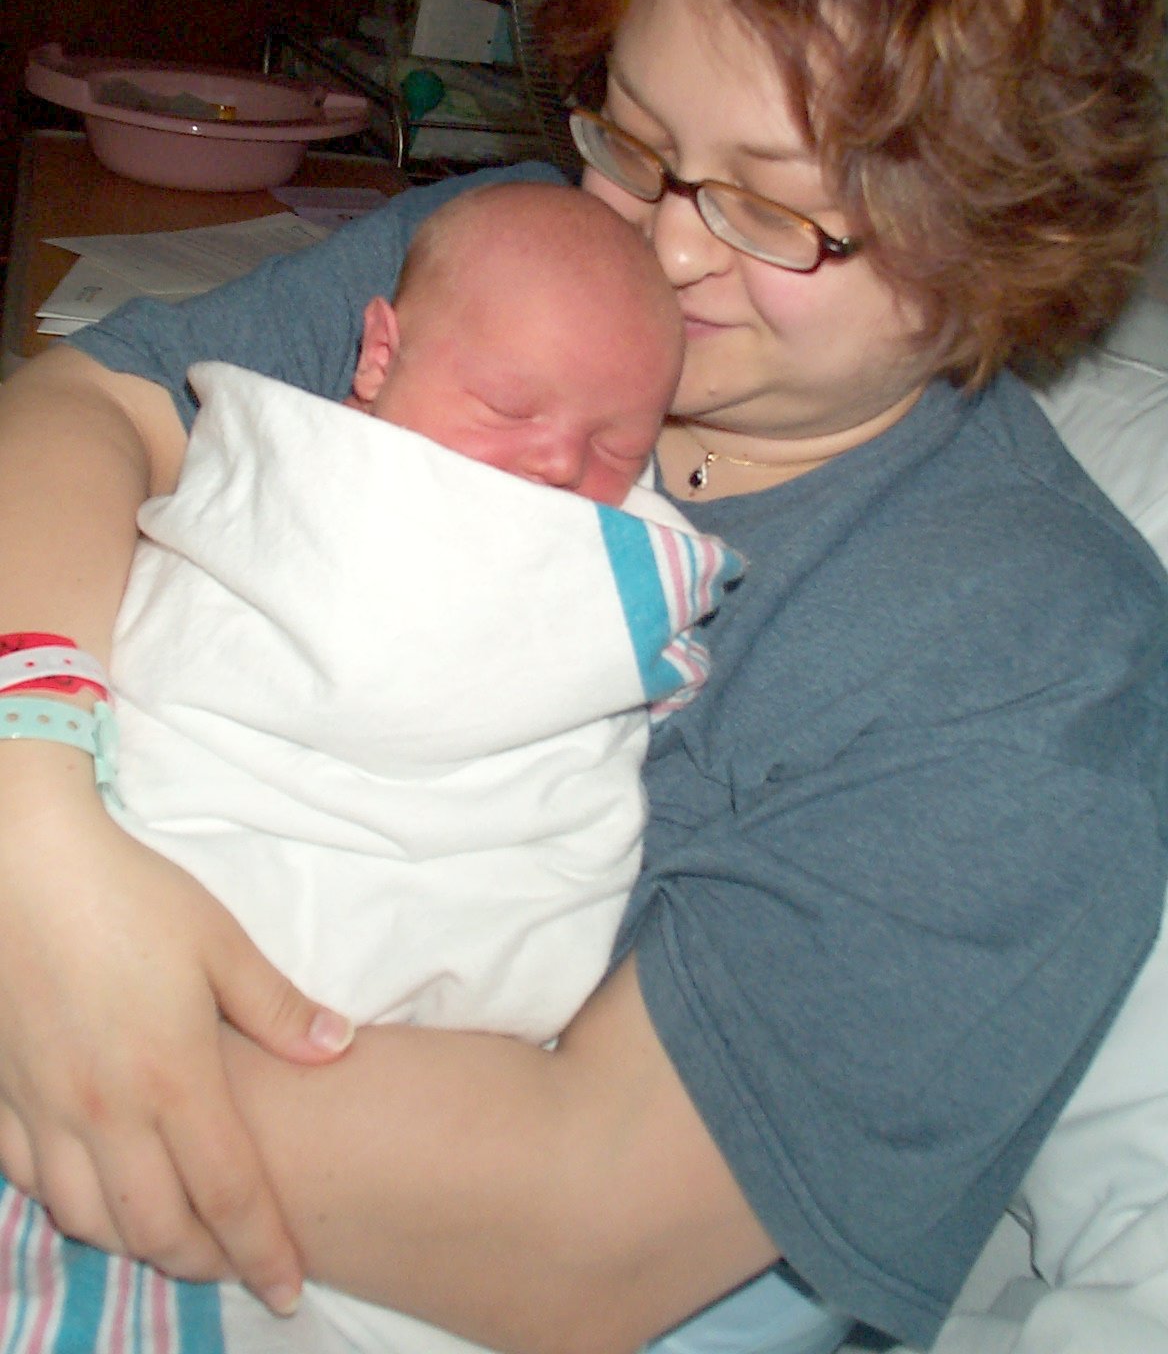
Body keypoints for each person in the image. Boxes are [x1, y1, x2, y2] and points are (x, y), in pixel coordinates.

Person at [0, 0, 1165, 1354]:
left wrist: (60, 1028)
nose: (663, 251)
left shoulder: (1030, 659)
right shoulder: (532, 259)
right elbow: (86, 406)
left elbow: (583, 1229)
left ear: (1000, 234)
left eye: (769, 206)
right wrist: (30, 800)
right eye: (634, 137)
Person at [0, 180, 740, 1352]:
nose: (557, 464)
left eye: (618, 446)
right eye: (508, 407)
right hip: (124, 851)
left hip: (361, 1046)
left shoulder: (624, 539)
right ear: (379, 354)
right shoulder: (302, 445)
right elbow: (90, 410)